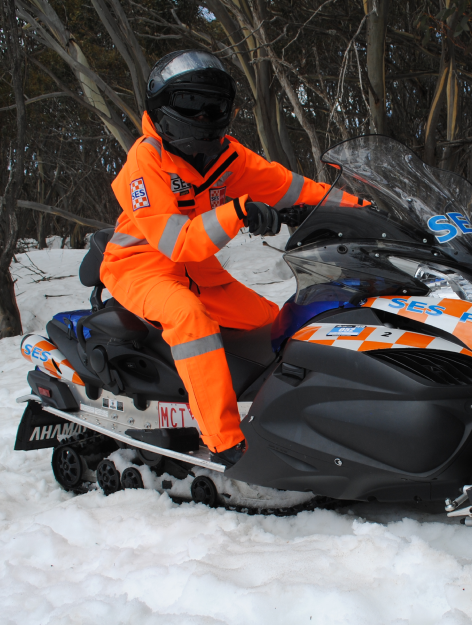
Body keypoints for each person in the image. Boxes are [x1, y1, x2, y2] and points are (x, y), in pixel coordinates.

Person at [102, 50, 356, 466]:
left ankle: (282, 415)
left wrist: (366, 211)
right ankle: (224, 442)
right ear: (163, 107)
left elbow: (296, 189)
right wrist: (238, 211)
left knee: (275, 323)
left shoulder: (229, 158)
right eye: (191, 104)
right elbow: (177, 242)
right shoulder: (146, 160)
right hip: (140, 265)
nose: (203, 116)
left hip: (198, 270)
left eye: (214, 106)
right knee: (189, 319)